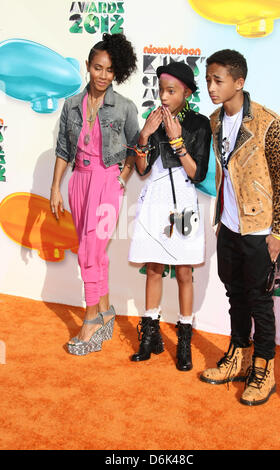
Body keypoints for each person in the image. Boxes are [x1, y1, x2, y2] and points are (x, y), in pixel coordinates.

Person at [201, 49, 280, 405]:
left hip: (259, 229)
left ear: (239, 83)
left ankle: (264, 368)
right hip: (227, 224)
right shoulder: (213, 121)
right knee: (234, 294)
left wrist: (279, 233)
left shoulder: (269, 123)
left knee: (259, 301)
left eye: (218, 80)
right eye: (208, 79)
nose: (210, 86)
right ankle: (238, 355)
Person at [50, 33, 139, 356]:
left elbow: (135, 147)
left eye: (110, 70)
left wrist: (122, 177)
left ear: (117, 73)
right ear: (88, 66)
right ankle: (105, 310)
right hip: (78, 182)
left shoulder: (124, 107)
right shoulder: (72, 104)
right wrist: (55, 188)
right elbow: (63, 149)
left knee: (90, 250)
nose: (103, 75)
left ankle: (89, 319)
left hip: (106, 182)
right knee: (95, 252)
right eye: (98, 68)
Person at [128, 62, 211, 371]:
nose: (164, 97)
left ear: (186, 93)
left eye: (171, 91)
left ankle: (184, 340)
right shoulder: (153, 120)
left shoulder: (199, 124)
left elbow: (197, 172)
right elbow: (141, 169)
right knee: (153, 268)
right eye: (161, 90)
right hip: (156, 202)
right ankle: (150, 336)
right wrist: (145, 136)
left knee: (185, 272)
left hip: (184, 205)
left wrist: (177, 140)